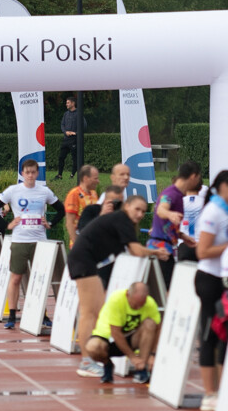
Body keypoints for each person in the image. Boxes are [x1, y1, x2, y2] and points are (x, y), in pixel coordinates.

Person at [69, 195, 165, 378]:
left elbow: (129, 249)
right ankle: (87, 361)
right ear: (126, 206)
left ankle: (96, 357)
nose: (140, 214)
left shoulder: (121, 222)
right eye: (136, 209)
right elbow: (136, 251)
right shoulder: (122, 219)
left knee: (97, 311)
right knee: (89, 313)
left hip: (87, 261)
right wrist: (156, 252)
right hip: (83, 260)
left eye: (144, 211)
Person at [0, 159, 64, 330]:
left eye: (33, 172)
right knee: (16, 278)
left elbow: (61, 210)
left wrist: (51, 224)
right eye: (27, 172)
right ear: (22, 174)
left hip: (40, 241)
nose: (30, 175)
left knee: (39, 279)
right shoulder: (13, 191)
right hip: (19, 240)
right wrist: (7, 225)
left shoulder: (44, 191)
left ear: (37, 173)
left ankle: (43, 314)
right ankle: (11, 316)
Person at [194, 169, 228, 411]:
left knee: (225, 334)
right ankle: (209, 394)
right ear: (224, 186)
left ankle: (225, 390)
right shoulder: (213, 212)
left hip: (225, 279)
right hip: (209, 279)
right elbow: (202, 252)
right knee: (210, 335)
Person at [84, 282, 162, 384]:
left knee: (150, 324)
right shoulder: (117, 299)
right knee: (92, 347)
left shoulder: (150, 303)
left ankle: (142, 368)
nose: (138, 308)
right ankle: (107, 364)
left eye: (141, 305)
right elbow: (116, 333)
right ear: (127, 295)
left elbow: (158, 329)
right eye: (135, 304)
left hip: (132, 338)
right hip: (109, 339)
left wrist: (153, 354)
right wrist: (132, 357)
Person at [148, 161, 204, 284]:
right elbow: (161, 210)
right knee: (166, 290)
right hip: (161, 249)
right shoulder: (171, 193)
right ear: (193, 176)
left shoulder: (178, 195)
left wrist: (183, 236)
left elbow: (168, 225)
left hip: (165, 248)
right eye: (199, 177)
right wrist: (170, 214)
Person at [63, 164, 100, 247]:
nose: (98, 181)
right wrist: (77, 244)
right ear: (86, 178)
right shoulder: (74, 194)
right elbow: (69, 223)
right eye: (95, 178)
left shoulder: (94, 193)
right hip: (80, 243)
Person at [55, 96, 81, 178]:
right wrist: (65, 132)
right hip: (66, 139)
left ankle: (72, 174)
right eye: (66, 103)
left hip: (74, 140)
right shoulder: (66, 114)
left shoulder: (79, 114)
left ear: (73, 103)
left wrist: (75, 133)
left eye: (68, 103)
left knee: (75, 159)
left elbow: (83, 125)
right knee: (61, 157)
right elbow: (62, 125)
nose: (66, 104)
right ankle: (59, 175)